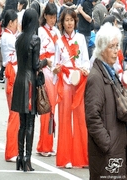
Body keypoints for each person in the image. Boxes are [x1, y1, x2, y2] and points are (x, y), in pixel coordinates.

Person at [84, 22, 127, 180]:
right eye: (112, 47)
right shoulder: (96, 77)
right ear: (102, 48)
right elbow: (92, 116)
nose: (117, 51)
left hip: (116, 148)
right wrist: (107, 144)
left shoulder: (110, 72)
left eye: (117, 46)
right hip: (107, 152)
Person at [11, 8, 52, 172]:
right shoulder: (35, 39)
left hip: (19, 80)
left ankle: (20, 157)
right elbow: (35, 65)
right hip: (29, 83)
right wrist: (45, 62)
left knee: (22, 123)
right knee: (30, 123)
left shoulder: (19, 39)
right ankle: (27, 159)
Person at [54, 7, 89, 168]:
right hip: (66, 83)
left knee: (81, 118)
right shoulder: (59, 42)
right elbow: (55, 64)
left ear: (76, 21)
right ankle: (66, 157)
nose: (69, 23)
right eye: (66, 20)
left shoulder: (81, 38)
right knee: (65, 119)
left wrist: (84, 70)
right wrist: (56, 69)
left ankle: (83, 157)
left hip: (79, 82)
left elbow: (86, 61)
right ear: (62, 22)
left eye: (71, 20)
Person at [36, 2, 61, 157]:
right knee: (46, 108)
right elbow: (38, 53)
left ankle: (49, 143)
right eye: (50, 17)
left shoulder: (57, 31)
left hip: (56, 72)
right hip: (45, 71)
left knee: (53, 110)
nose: (53, 20)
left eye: (54, 17)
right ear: (45, 16)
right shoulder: (40, 31)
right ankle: (43, 145)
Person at [0, 9, 19, 162]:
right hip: (12, 72)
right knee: (15, 114)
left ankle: (13, 149)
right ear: (11, 22)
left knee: (15, 114)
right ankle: (11, 151)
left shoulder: (7, 36)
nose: (18, 25)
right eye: (16, 22)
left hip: (11, 72)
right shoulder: (8, 37)